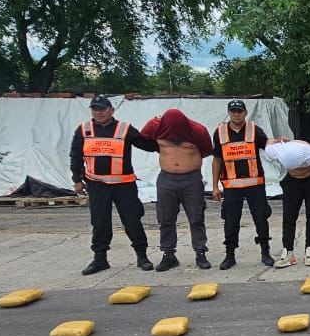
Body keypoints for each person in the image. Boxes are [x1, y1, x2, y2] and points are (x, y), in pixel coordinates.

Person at [69, 94, 157, 275]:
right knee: (100, 223)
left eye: (102, 109)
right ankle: (100, 259)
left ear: (111, 110)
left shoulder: (124, 129)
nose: (98, 112)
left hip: (124, 186)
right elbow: (75, 156)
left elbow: (146, 145)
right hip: (97, 185)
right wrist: (77, 179)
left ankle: (142, 256)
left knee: (132, 221)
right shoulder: (84, 130)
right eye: (95, 109)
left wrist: (162, 136)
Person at [140, 108, 213, 271]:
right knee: (165, 218)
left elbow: (207, 150)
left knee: (196, 217)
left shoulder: (197, 131)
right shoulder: (156, 127)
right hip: (167, 178)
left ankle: (200, 252)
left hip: (191, 179)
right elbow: (143, 139)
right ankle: (168, 255)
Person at [211, 100, 276, 269]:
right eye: (233, 111)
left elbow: (269, 146)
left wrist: (279, 143)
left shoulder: (254, 130)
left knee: (261, 218)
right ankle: (230, 255)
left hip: (255, 185)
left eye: (239, 111)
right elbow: (217, 160)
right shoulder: (220, 132)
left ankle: (265, 252)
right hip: (231, 186)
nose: (236, 114)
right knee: (230, 220)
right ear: (229, 113)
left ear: (245, 112)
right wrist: (215, 186)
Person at [264, 140, 310, 268]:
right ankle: (288, 251)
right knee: (288, 217)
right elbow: (268, 144)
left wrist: (303, 170)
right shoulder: (277, 151)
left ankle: (309, 249)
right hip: (292, 183)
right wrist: (277, 139)